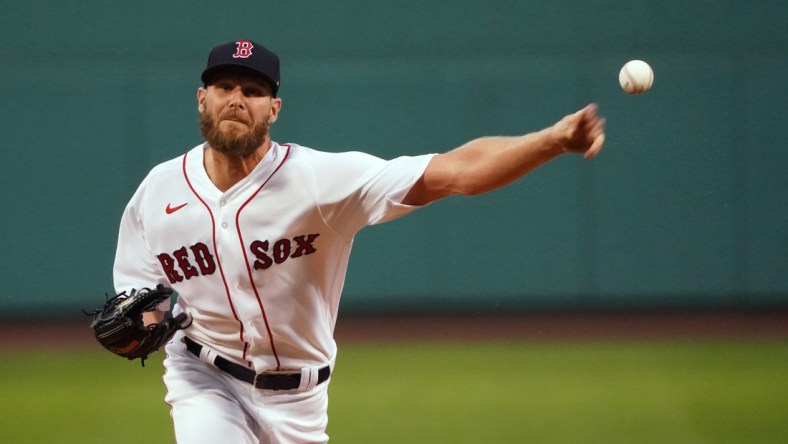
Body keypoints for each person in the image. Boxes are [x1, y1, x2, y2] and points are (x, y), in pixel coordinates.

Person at [113, 39, 605, 443]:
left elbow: (453, 172)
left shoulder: (319, 181)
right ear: (202, 98)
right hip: (204, 378)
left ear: (274, 109)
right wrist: (146, 321)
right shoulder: (158, 191)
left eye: (253, 89)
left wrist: (553, 140)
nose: (236, 98)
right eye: (223, 86)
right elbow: (137, 288)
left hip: (300, 398)